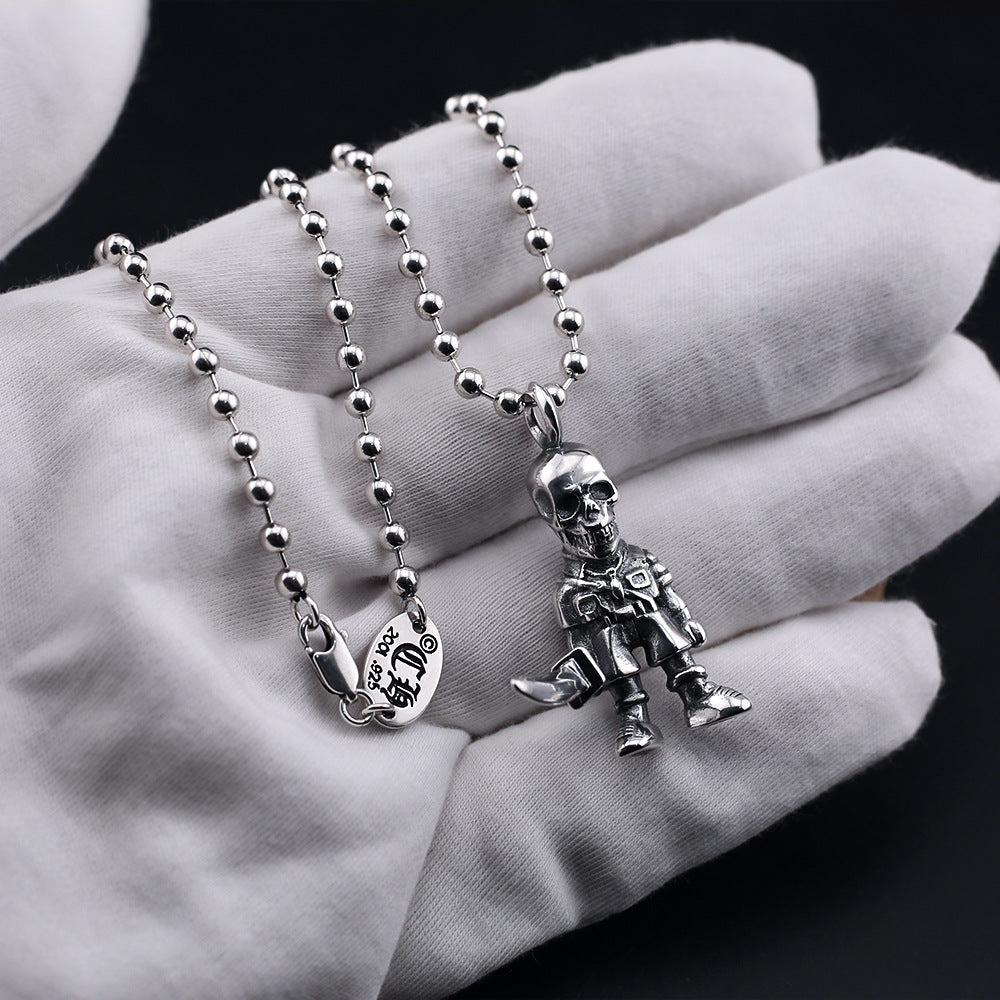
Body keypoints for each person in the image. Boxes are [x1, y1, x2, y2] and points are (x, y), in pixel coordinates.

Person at [1, 4, 999, 998]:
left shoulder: (606, 532)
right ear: (559, 517)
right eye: (580, 511)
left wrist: (661, 608)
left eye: (596, 503)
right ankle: (638, 716)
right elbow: (581, 610)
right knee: (617, 651)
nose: (595, 519)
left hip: (607, 601)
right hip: (567, 628)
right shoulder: (569, 558)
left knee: (661, 631)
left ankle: (691, 690)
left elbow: (650, 587)